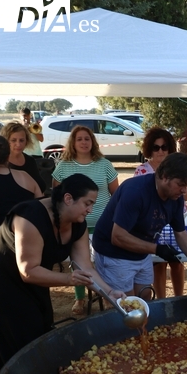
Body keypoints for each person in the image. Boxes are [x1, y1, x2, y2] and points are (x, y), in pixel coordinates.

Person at [0, 174, 124, 374]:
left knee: (42, 324)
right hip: (3, 279)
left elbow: (85, 267)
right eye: (87, 203)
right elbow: (28, 271)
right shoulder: (30, 217)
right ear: (68, 199)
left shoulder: (77, 223)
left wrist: (110, 293)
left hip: (38, 275)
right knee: (16, 334)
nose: (90, 210)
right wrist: (68, 279)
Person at [92, 152, 187, 299]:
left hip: (141, 252)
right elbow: (117, 237)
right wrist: (157, 249)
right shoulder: (135, 192)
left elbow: (180, 232)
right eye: (181, 185)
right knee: (126, 303)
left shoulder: (176, 197)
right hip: (113, 252)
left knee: (145, 296)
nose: (185, 191)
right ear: (165, 176)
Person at [52, 125, 120, 313]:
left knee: (102, 262)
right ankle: (80, 299)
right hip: (75, 226)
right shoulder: (63, 166)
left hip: (103, 225)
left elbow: (116, 193)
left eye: (87, 138)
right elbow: (56, 196)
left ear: (93, 142)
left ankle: (106, 296)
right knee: (79, 264)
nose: (83, 142)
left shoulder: (104, 164)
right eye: (79, 139)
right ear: (73, 143)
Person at [134, 127, 187, 299]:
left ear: (170, 148)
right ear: (149, 149)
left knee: (177, 262)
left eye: (164, 147)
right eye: (156, 147)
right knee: (158, 263)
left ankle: (179, 298)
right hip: (152, 223)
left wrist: (186, 194)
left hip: (176, 220)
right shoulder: (141, 170)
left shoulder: (178, 168)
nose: (160, 151)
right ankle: (161, 300)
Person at [1, 121, 43, 192]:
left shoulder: (30, 161)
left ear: (26, 141)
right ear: (6, 141)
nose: (18, 144)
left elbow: (41, 186)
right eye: (13, 140)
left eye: (21, 140)